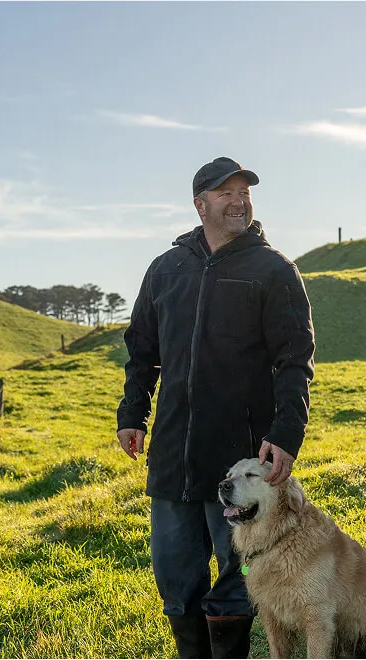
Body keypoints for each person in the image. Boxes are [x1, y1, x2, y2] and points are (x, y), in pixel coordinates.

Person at [116, 156, 316, 659]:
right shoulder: (166, 270)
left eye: (244, 192)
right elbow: (142, 349)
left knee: (237, 578)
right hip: (173, 458)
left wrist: (287, 433)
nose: (239, 201)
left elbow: (295, 359)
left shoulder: (273, 270)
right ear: (200, 204)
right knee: (176, 579)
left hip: (241, 460)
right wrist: (132, 414)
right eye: (226, 193)